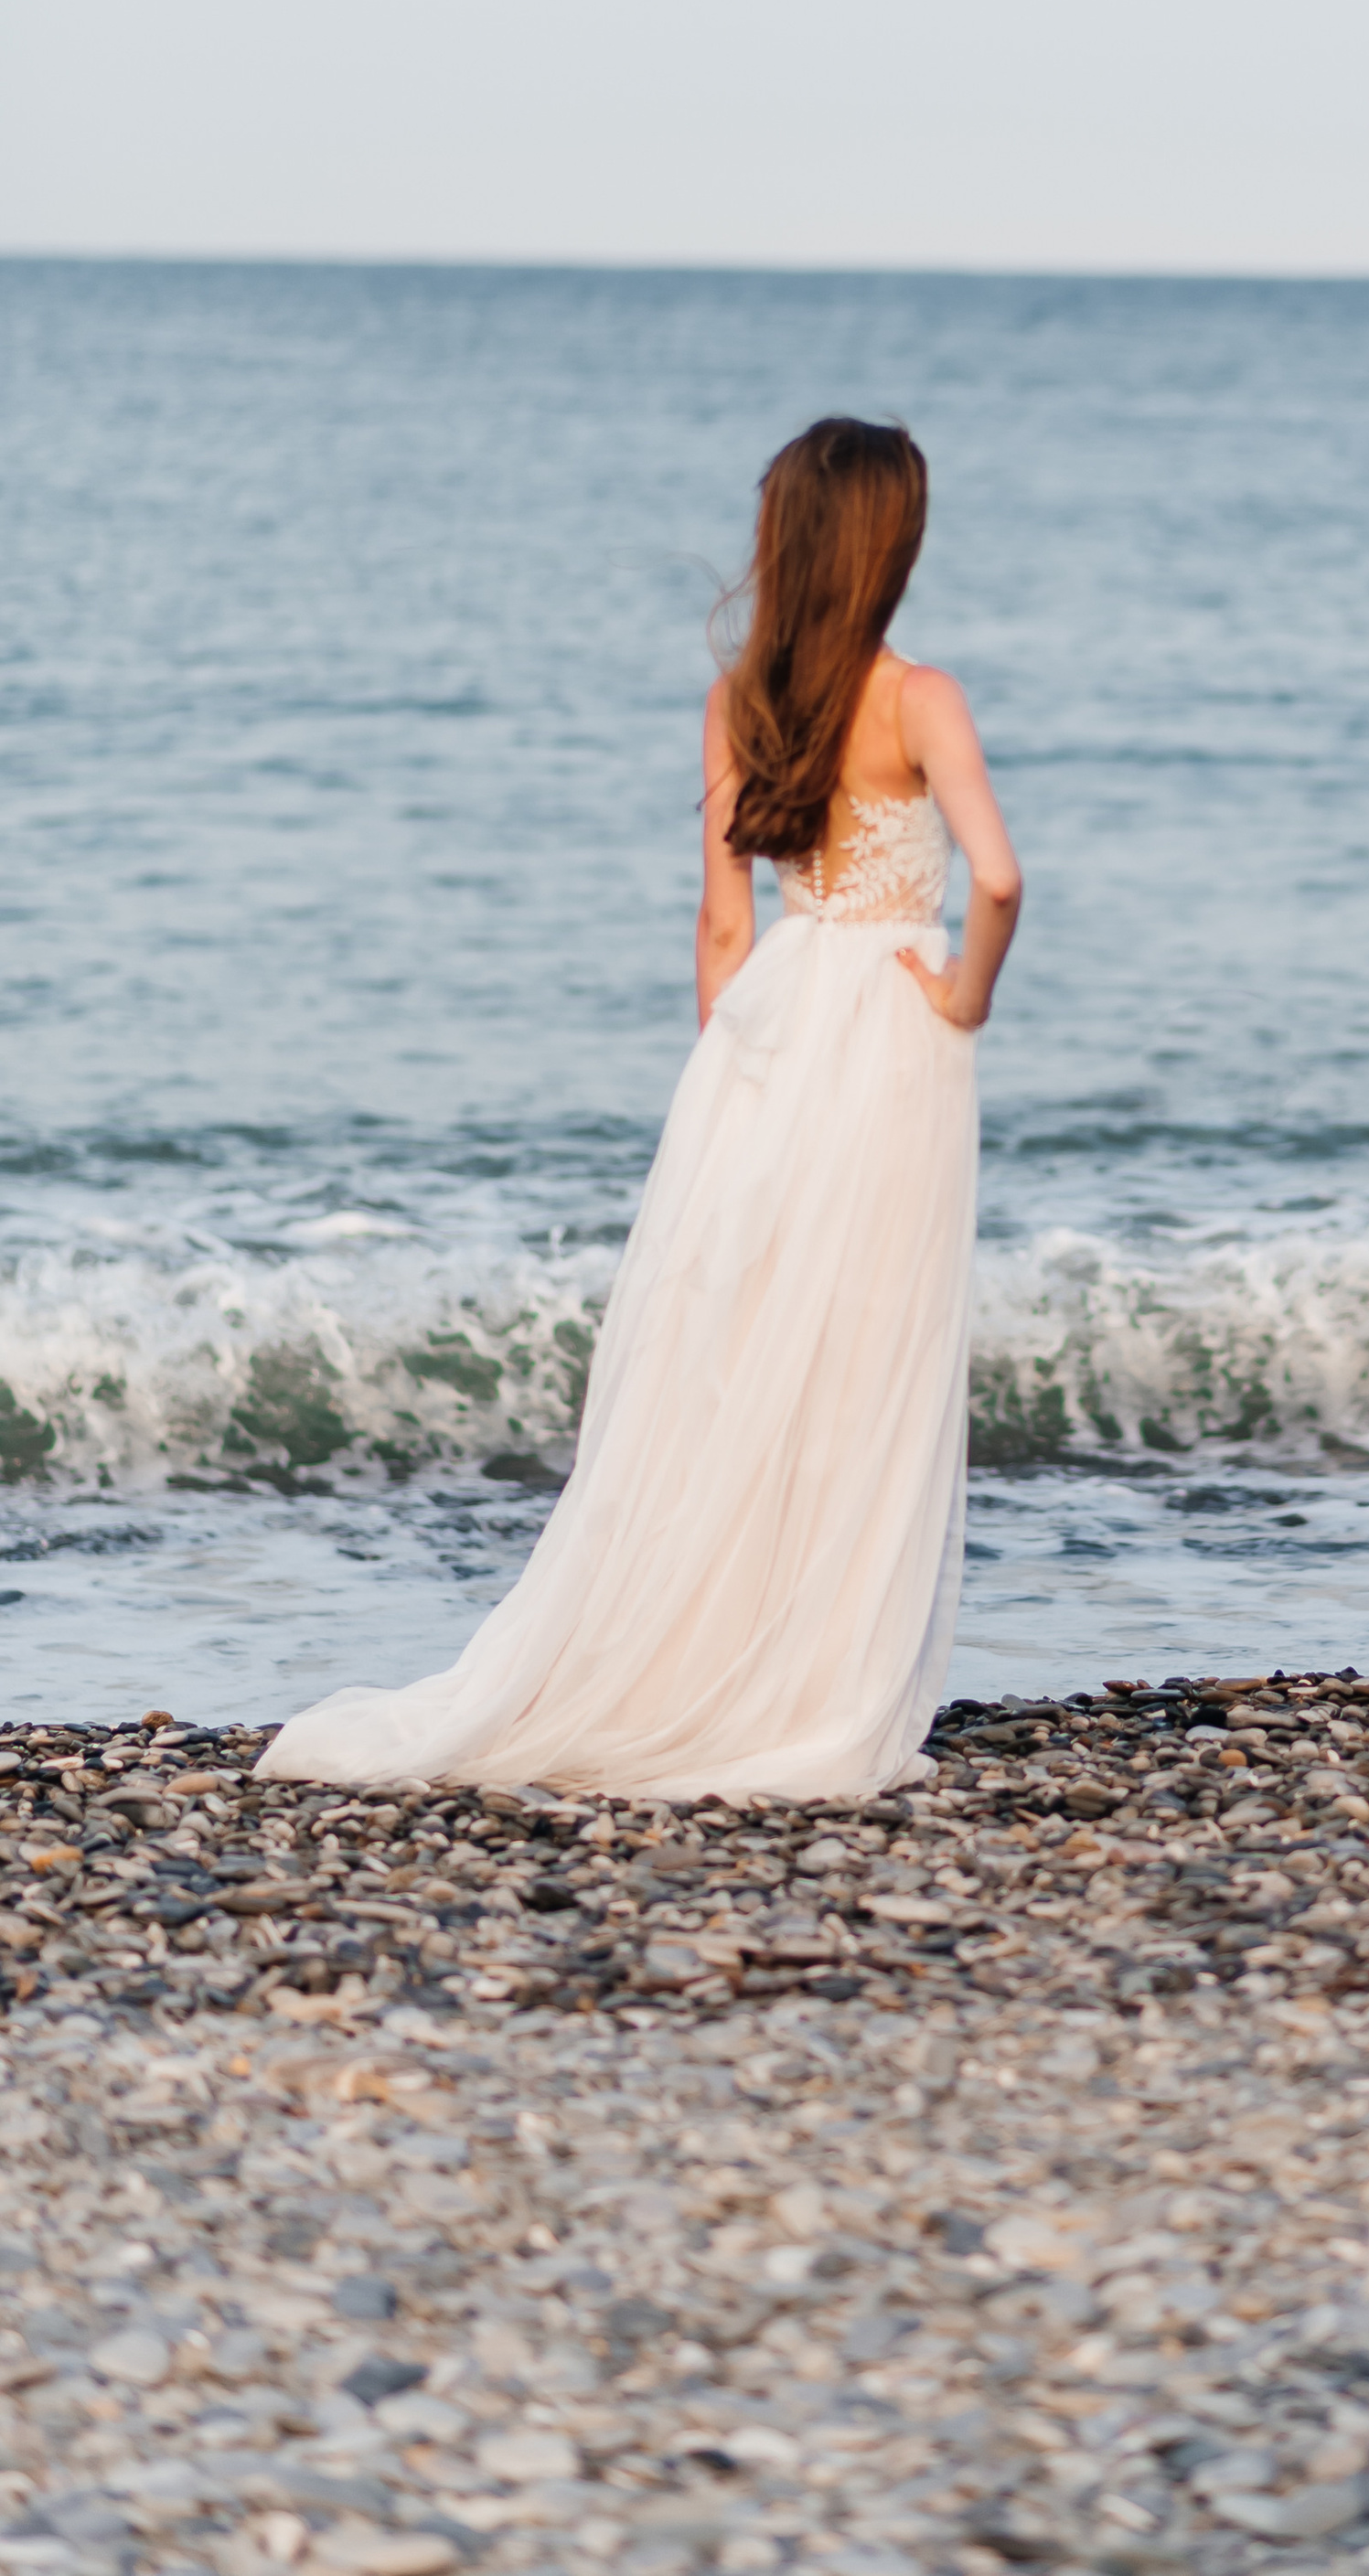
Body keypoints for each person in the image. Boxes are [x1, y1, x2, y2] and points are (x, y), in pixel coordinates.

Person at [257, 418, 1020, 1800]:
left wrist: (731, 1079)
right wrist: (964, 993)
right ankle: (817, 1670)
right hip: (894, 1031)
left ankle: (701, 1646)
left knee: (738, 1342)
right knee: (862, 1348)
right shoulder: (924, 698)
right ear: (889, 546)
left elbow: (720, 924)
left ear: (785, 541)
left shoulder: (741, 698)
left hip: (766, 1033)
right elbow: (1005, 878)